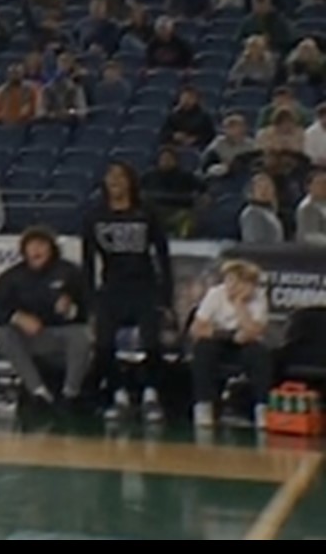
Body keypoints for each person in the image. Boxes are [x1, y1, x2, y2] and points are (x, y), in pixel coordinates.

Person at [81, 161, 172, 424]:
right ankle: (119, 394)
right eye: (110, 176)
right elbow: (88, 263)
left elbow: (163, 255)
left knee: (151, 344)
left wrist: (165, 296)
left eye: (120, 176)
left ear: (130, 181)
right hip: (111, 288)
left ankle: (151, 395)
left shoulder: (147, 212)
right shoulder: (94, 216)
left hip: (145, 287)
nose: (115, 181)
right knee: (104, 345)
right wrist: (91, 302)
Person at [0, 226, 92, 412]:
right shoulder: (12, 277)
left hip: (62, 335)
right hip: (31, 338)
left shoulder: (70, 272)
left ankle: (71, 393)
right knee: (4, 334)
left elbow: (89, 305)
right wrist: (17, 317)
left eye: (41, 245)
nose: (36, 250)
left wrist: (72, 309)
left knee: (82, 335)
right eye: (31, 245)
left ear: (51, 248)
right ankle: (38, 391)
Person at [188, 260, 274, 429]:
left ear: (248, 284)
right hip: (220, 341)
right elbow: (197, 329)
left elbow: (254, 332)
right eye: (228, 280)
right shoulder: (215, 294)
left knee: (259, 353)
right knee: (203, 348)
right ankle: (204, 404)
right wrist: (227, 335)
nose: (230, 286)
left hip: (245, 345)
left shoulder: (259, 297)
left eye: (235, 281)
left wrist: (239, 304)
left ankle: (262, 407)